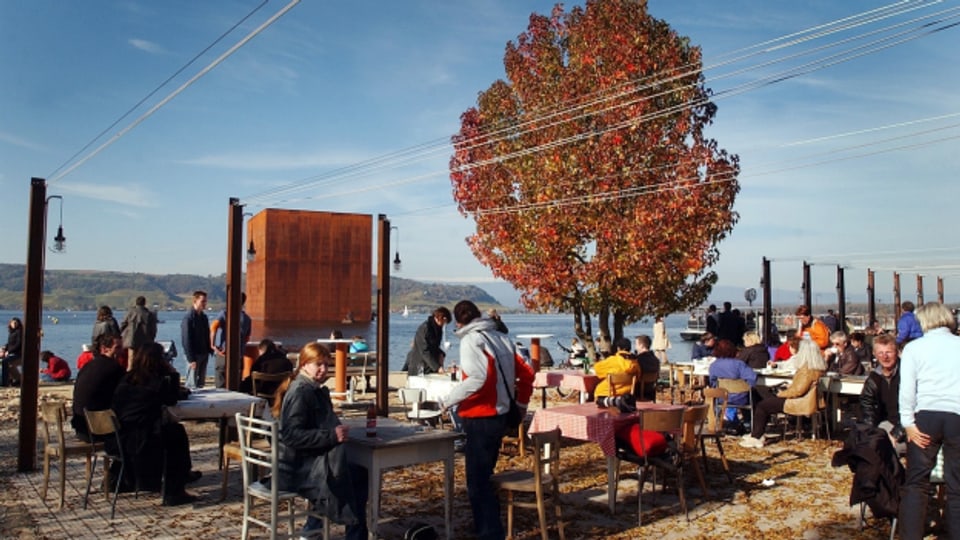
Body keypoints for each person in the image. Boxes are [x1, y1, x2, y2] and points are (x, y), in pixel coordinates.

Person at [440, 300, 534, 540]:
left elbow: (477, 378)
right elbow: (527, 372)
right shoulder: (500, 337)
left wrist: (449, 399)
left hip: (481, 415)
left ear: (459, 321)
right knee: (486, 473)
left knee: (478, 479)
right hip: (501, 414)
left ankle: (490, 531)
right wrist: (521, 404)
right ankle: (486, 524)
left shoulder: (472, 341)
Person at [274, 342, 368, 540]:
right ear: (304, 365)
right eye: (319, 364)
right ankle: (354, 535)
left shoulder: (313, 389)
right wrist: (332, 436)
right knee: (356, 474)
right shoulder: (301, 392)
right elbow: (291, 435)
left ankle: (311, 531)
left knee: (348, 469)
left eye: (326, 364)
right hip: (296, 469)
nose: (324, 369)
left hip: (301, 462)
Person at [897, 302, 960, 540]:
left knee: (916, 483)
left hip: (926, 416)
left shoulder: (915, 348)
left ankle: (911, 535)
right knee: (957, 487)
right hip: (957, 416)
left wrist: (908, 423)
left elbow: (907, 390)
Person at [112, 342, 198, 505]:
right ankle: (174, 490)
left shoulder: (128, 378)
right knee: (176, 434)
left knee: (174, 431)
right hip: (139, 439)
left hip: (120, 435)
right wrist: (173, 373)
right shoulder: (155, 382)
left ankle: (182, 477)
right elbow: (171, 399)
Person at [740, 338, 826, 448]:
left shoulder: (806, 370)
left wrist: (781, 394)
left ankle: (757, 436)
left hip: (799, 401)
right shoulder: (817, 367)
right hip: (807, 399)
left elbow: (798, 391)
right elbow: (802, 387)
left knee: (763, 405)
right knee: (767, 403)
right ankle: (757, 434)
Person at [71, 332, 126, 441]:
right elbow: (125, 394)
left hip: (81, 428)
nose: (121, 352)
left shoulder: (89, 365)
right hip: (97, 431)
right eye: (117, 348)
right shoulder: (113, 368)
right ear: (104, 349)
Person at [858, 333, 905, 452]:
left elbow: (915, 408)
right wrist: (870, 432)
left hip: (908, 425)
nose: (885, 357)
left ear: (897, 352)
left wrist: (896, 434)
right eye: (880, 353)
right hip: (886, 423)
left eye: (889, 352)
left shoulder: (907, 374)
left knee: (887, 447)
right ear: (874, 354)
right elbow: (867, 406)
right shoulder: (874, 378)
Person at [709, 339, 757, 431]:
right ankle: (748, 423)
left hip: (722, 398)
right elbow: (752, 378)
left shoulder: (714, 365)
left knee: (715, 396)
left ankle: (721, 421)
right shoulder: (739, 364)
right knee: (753, 396)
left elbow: (712, 382)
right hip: (741, 398)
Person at [210, 292, 252, 389]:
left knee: (220, 382)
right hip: (239, 356)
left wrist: (212, 345)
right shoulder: (247, 319)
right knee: (235, 384)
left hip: (223, 354)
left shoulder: (224, 314)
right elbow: (247, 338)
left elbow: (213, 327)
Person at [403, 306, 451, 375]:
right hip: (419, 368)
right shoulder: (425, 328)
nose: (444, 325)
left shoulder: (438, 329)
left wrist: (441, 354)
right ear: (441, 318)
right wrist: (437, 367)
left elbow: (434, 346)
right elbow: (424, 350)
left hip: (429, 366)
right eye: (444, 322)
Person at [181, 290, 212, 388]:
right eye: (202, 301)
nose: (204, 304)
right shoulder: (189, 318)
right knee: (192, 383)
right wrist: (191, 359)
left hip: (203, 353)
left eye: (205, 302)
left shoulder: (204, 317)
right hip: (194, 355)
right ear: (195, 301)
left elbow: (207, 334)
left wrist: (209, 349)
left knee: (201, 383)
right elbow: (186, 339)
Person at [120, 296, 158, 369]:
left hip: (131, 340)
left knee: (130, 360)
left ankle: (129, 376)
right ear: (144, 303)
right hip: (144, 341)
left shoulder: (130, 312)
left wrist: (118, 335)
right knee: (142, 361)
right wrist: (152, 339)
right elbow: (153, 329)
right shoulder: (149, 314)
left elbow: (123, 324)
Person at [633, 335, 661, 401]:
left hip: (637, 391)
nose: (635, 347)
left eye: (636, 344)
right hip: (651, 391)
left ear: (641, 345)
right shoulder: (656, 360)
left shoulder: (638, 360)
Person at [1, 317, 23, 387]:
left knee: (5, 361)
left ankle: (5, 382)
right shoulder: (12, 332)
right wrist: (4, 348)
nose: (14, 324)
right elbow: (10, 343)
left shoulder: (19, 332)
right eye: (13, 323)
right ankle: (16, 379)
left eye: (16, 323)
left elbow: (18, 344)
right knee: (8, 365)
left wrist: (9, 351)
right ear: (10, 323)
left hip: (18, 354)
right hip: (13, 353)